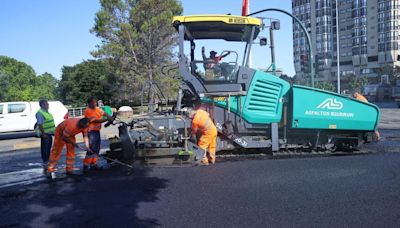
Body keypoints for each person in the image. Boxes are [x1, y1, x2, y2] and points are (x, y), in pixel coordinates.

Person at [83, 97, 113, 172]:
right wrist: (107, 119)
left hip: (96, 131)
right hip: (91, 132)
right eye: (93, 102)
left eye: (95, 102)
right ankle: (86, 165)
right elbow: (96, 120)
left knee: (96, 148)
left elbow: (103, 112)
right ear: (89, 103)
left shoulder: (96, 109)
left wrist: (108, 115)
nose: (95, 104)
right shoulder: (88, 111)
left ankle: (94, 163)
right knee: (91, 149)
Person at [35, 99, 55, 173]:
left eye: (47, 104)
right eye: (46, 104)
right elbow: (40, 124)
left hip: (49, 133)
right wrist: (43, 134)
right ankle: (46, 162)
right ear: (42, 105)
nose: (48, 105)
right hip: (45, 134)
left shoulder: (46, 112)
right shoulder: (40, 113)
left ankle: (47, 161)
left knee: (48, 148)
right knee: (45, 149)